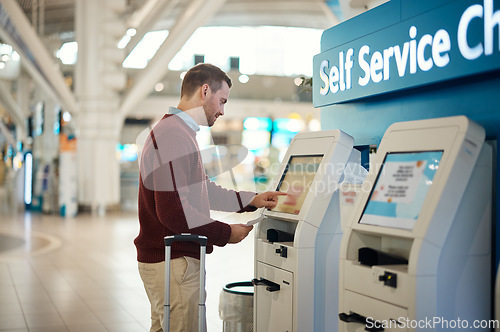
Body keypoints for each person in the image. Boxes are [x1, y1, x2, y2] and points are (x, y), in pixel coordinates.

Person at [135, 63, 285, 332]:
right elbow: (173, 212)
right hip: (174, 262)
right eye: (221, 100)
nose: (222, 110)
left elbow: (205, 190)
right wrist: (224, 233)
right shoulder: (173, 135)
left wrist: (252, 200)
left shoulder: (179, 133)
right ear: (205, 91)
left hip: (170, 260)